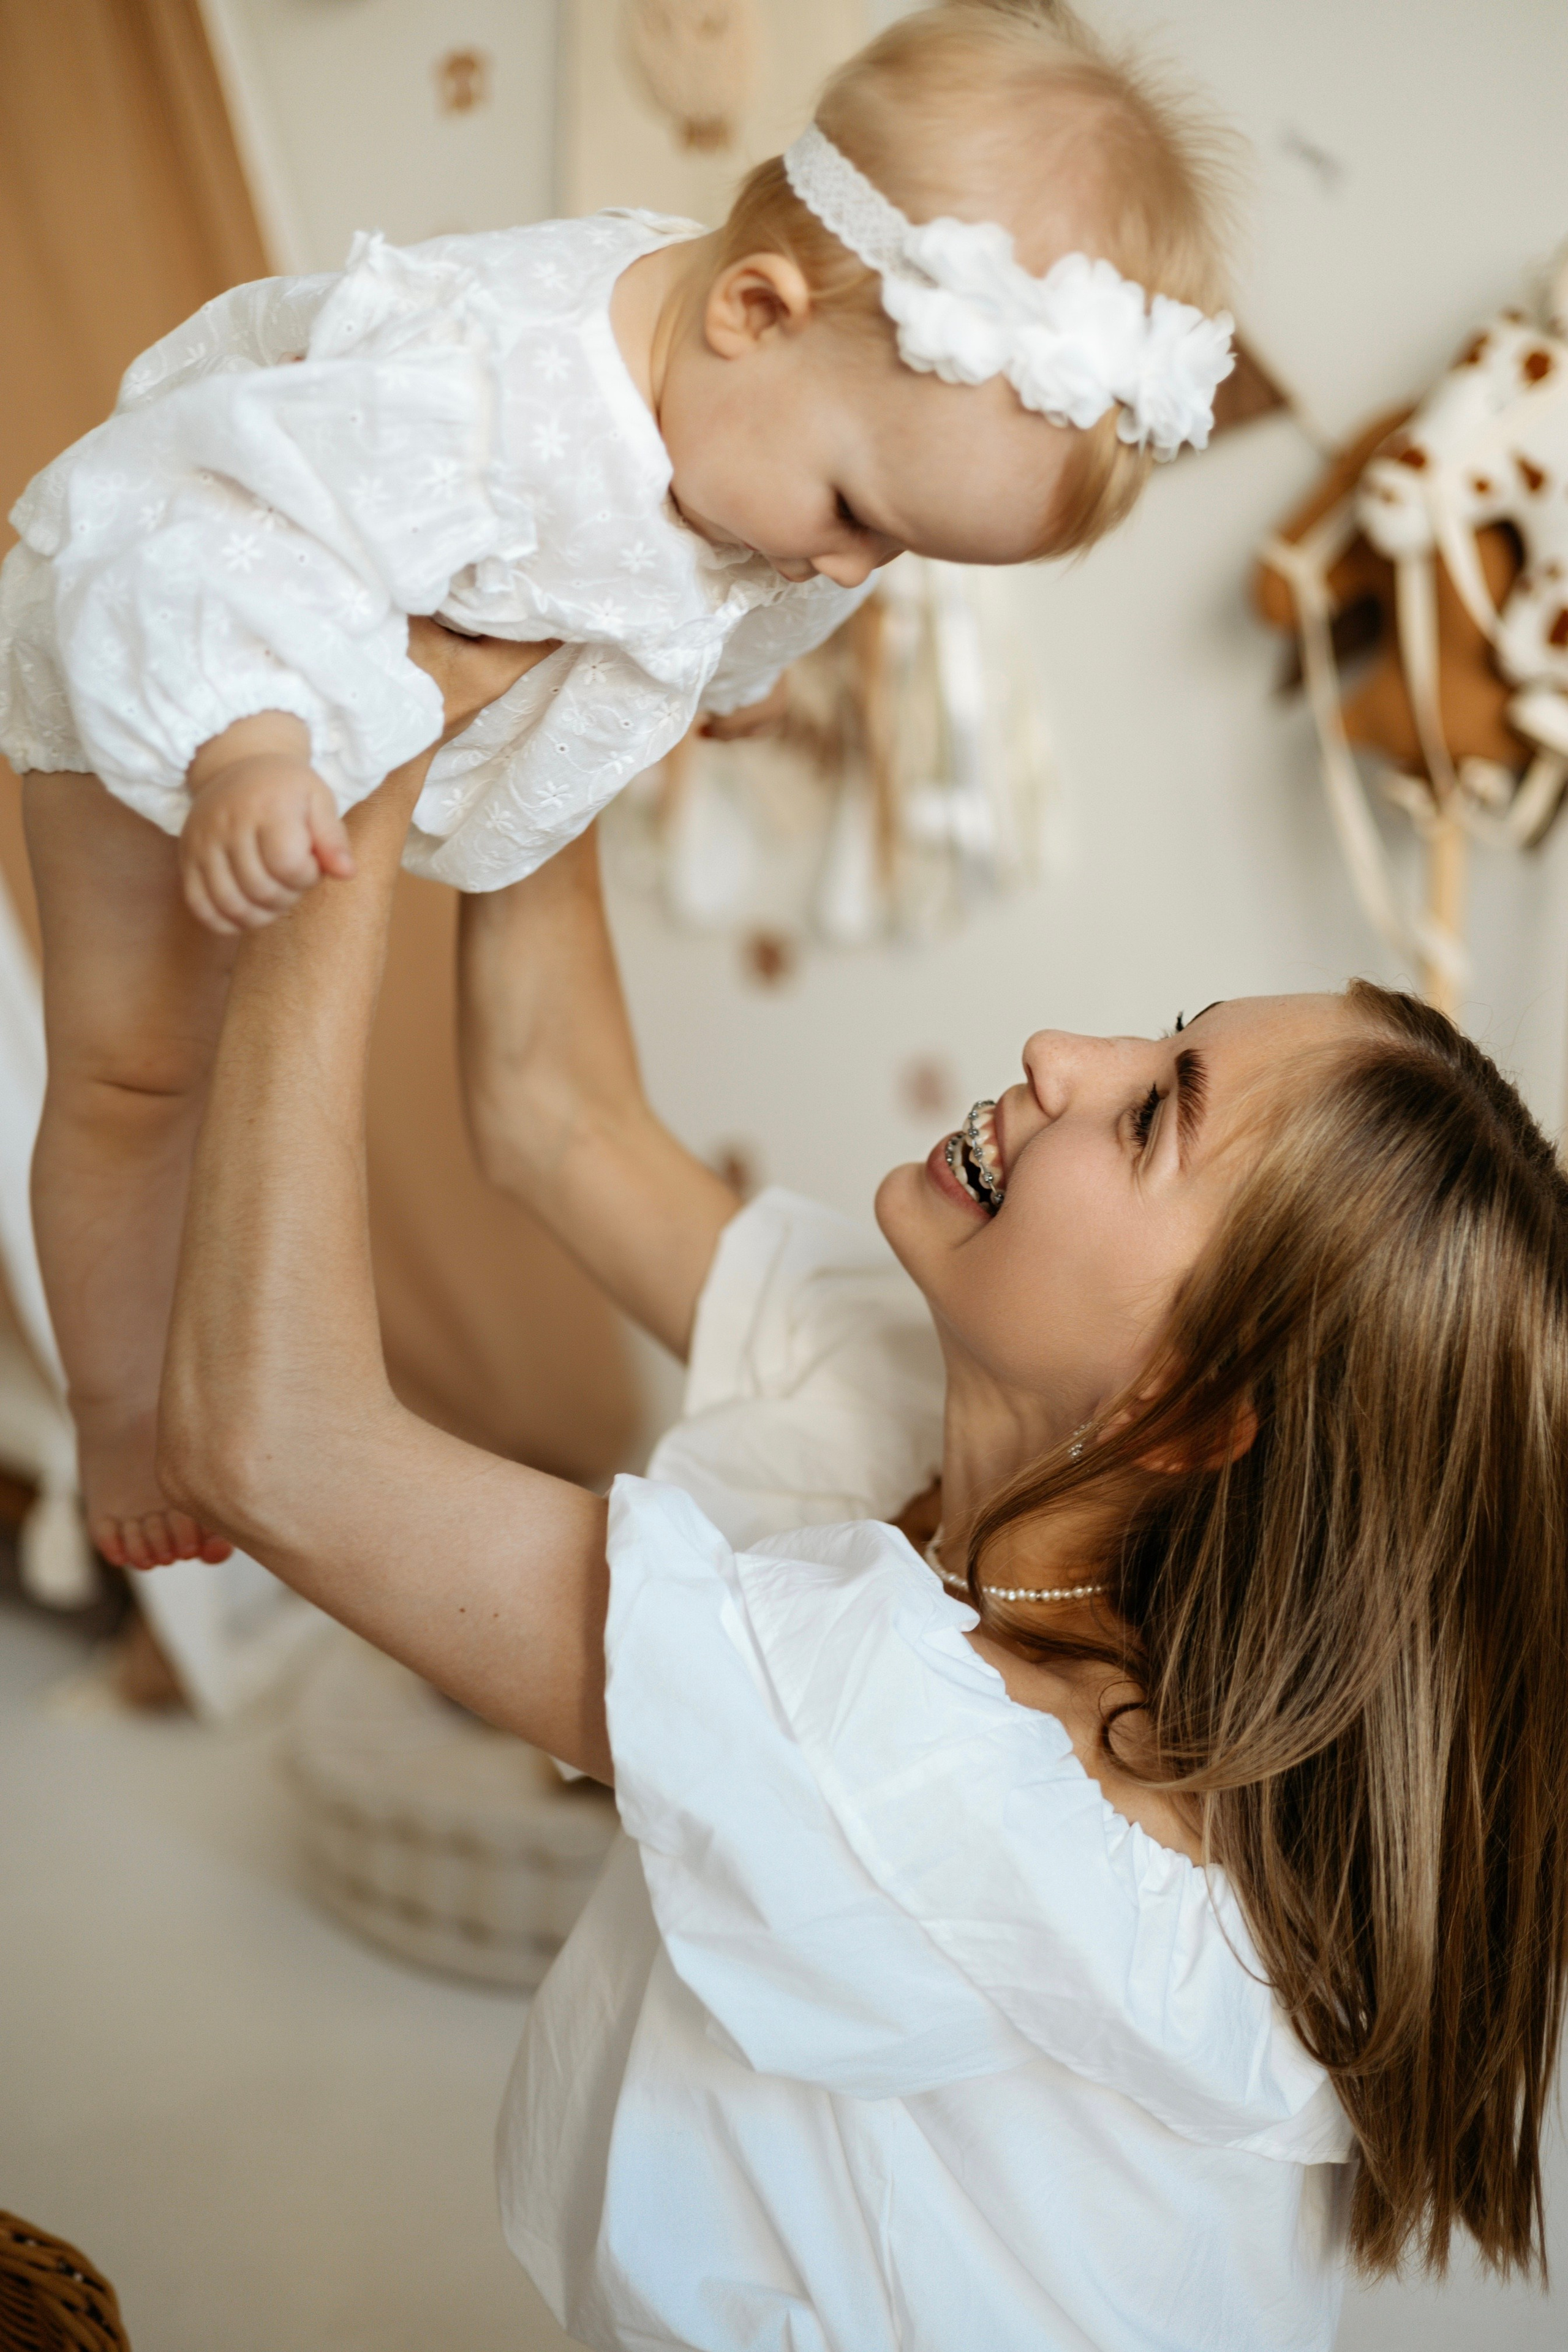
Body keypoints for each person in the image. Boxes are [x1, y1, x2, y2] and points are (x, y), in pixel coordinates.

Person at [156, 635, 1568, 2351]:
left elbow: (272, 1441)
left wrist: (340, 785)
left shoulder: (956, 1777)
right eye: (1169, 1036)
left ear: (1201, 1412)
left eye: (1148, 1121)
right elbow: (558, 1116)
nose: (1065, 1050)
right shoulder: (944, 1420)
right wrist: (603, 636)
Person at [2, 0, 1236, 1573]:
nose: (844, 562)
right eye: (853, 511)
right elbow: (217, 513)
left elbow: (766, 561)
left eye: (893, 546)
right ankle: (117, 1417)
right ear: (752, 309)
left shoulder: (782, 428)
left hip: (333, 717)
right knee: (133, 1078)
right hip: (173, 638)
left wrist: (736, 664)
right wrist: (252, 733)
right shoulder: (480, 390)